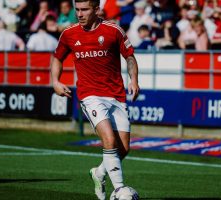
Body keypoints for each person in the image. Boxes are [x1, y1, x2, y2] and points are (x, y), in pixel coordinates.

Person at [51, 0, 139, 199]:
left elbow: (130, 57)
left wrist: (133, 80)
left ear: (97, 9)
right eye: (77, 10)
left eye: (85, 10)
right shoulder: (69, 33)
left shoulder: (113, 31)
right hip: (90, 95)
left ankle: (99, 173)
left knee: (123, 148)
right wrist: (55, 81)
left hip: (116, 95)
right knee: (108, 140)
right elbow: (57, 57)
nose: (80, 14)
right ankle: (119, 190)